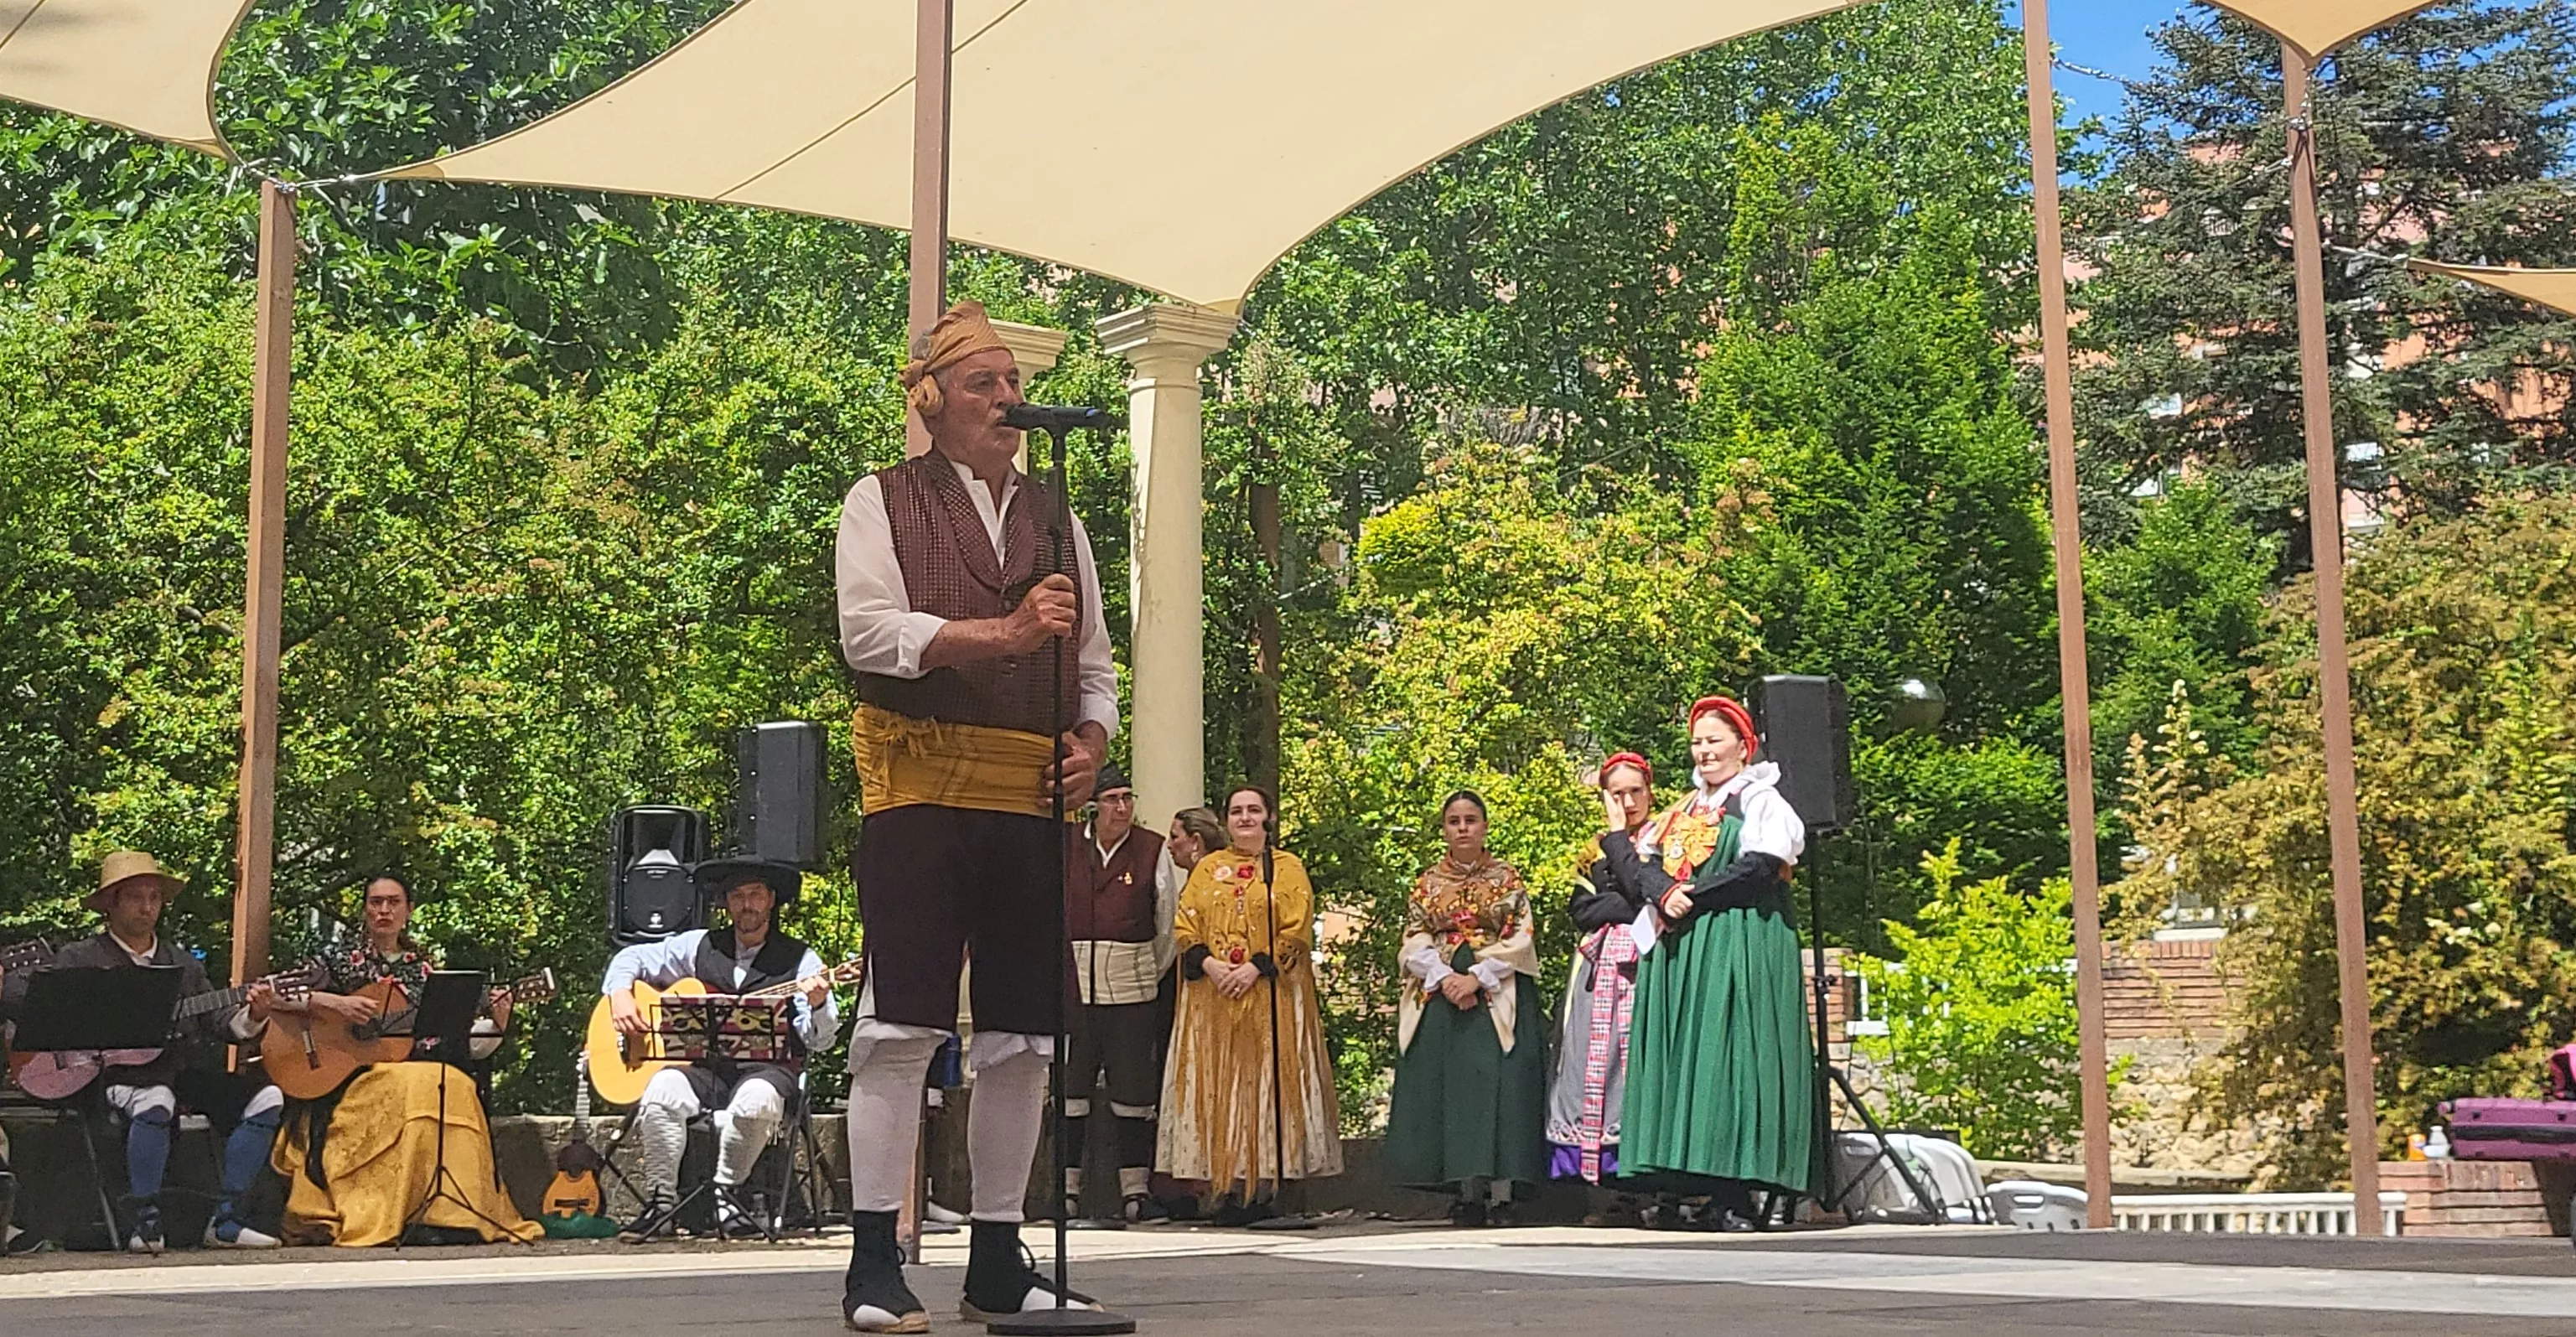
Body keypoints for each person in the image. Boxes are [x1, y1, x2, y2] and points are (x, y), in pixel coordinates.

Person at [832, 300, 1114, 1329]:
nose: (1008, 398)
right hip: (918, 789)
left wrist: (1090, 744)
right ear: (931, 401)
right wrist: (998, 634)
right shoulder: (881, 499)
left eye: (1012, 381)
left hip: (1031, 797)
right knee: (901, 1024)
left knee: (1024, 1036)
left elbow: (1092, 663)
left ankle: (998, 1252)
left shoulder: (1056, 514)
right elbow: (869, 632)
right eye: (984, 383)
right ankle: (873, 1259)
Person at [0, 852, 283, 1252]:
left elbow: (222, 1025)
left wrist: (254, 1014)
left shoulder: (182, 965)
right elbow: (25, 1003)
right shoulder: (81, 958)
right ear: (110, 904)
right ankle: (145, 1223)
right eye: (135, 897)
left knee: (265, 1097)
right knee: (156, 1098)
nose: (148, 906)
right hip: (108, 1077)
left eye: (154, 897)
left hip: (175, 1069)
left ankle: (227, 1220)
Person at [1610, 697, 1811, 1228]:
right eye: (1697, 742)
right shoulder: (1681, 810)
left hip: (1737, 940)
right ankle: (1687, 1185)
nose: (1704, 751)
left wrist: (1689, 896)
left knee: (1732, 1056)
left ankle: (1736, 1190)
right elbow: (1642, 868)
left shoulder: (1759, 801)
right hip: (1684, 949)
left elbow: (1762, 865)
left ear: (1744, 748)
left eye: (1714, 740)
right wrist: (1663, 891)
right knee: (1690, 1061)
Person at [270, 873, 539, 1246]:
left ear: (408, 910)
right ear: (364, 910)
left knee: (453, 1082)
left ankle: (445, 1213)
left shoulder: (426, 968)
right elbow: (274, 993)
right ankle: (382, 1213)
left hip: (414, 1067)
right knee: (414, 1085)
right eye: (376, 902)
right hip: (352, 1077)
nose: (384, 910)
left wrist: (498, 1021)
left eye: (393, 902)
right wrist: (334, 1002)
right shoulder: (335, 958)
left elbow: (456, 1041)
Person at [603, 858, 837, 1242]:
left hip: (769, 1070)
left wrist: (816, 1004)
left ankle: (728, 1197)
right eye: (738, 896)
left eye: (756, 896)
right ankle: (662, 1203)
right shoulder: (700, 945)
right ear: (726, 904)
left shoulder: (801, 960)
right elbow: (631, 956)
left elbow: (819, 1040)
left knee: (756, 1100)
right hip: (707, 1069)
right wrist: (619, 994)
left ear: (772, 901)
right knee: (661, 1092)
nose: (747, 905)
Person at [1157, 785, 1341, 1223]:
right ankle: (1225, 1183)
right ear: (1226, 820)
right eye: (1236, 811)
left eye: (1253, 810)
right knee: (1222, 1086)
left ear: (1268, 817)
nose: (1244, 818)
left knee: (1264, 1086)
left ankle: (1264, 1186)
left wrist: (1258, 967)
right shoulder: (1207, 869)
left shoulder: (1287, 869)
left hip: (1269, 996)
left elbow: (1296, 929)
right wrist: (1213, 966)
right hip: (1214, 999)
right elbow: (1185, 926)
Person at [1383, 791, 1546, 1226]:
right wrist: (1442, 976)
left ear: (1485, 826)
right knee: (1452, 1094)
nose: (1462, 828)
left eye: (1470, 819)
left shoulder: (1507, 880)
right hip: (1440, 996)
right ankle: (1465, 1192)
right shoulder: (1427, 882)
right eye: (1453, 821)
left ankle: (1504, 1192)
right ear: (1444, 829)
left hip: (1498, 993)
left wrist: (1476, 977)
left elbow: (1521, 937)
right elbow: (1413, 935)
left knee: (1501, 1090)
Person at [1062, 762, 1177, 1223]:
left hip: (1132, 988)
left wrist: (1146, 970)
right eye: (1113, 800)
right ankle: (1065, 1190)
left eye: (1128, 799)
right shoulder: (1067, 846)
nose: (1123, 808)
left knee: (1134, 1092)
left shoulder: (1153, 851)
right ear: (1094, 807)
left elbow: (1167, 924)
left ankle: (1137, 1191)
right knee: (1070, 1090)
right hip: (1072, 990)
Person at [1546, 754, 1656, 1191]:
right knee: (1591, 1063)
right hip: (1597, 973)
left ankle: (1651, 1180)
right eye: (1617, 794)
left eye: (1635, 792)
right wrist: (1626, 905)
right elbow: (1582, 909)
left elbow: (1648, 892)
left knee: (1640, 1067)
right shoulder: (1591, 850)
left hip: (1648, 967)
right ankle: (1606, 1185)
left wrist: (1628, 894)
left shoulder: (1666, 836)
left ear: (1649, 791)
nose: (1627, 802)